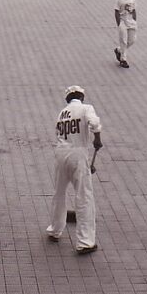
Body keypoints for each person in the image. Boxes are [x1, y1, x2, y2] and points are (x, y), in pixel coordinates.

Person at [47, 86, 102, 254]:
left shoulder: (62, 113)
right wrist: (97, 139)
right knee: (84, 197)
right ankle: (85, 242)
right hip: (77, 154)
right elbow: (95, 124)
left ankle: (55, 230)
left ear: (67, 99)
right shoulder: (86, 108)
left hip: (60, 154)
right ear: (82, 97)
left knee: (59, 194)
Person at [114, 0, 137, 69]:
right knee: (123, 40)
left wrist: (134, 20)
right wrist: (119, 23)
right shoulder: (119, 0)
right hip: (123, 21)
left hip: (131, 22)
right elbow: (116, 11)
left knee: (132, 40)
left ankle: (119, 50)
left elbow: (134, 10)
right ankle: (123, 60)